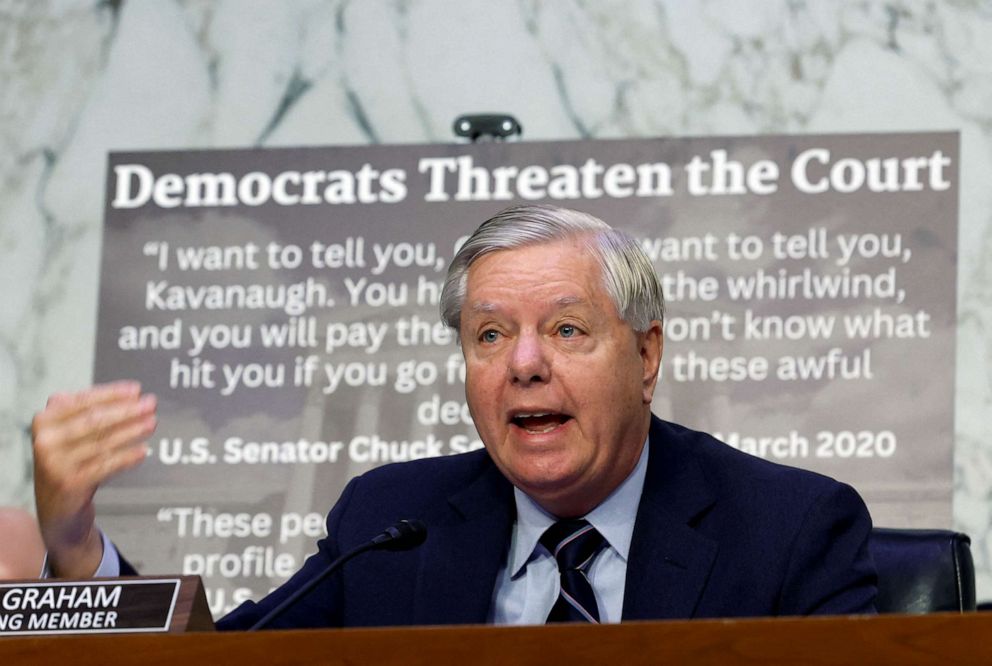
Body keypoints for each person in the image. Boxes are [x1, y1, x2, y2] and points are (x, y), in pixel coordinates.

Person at [31, 204, 876, 627]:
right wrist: (74, 545)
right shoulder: (392, 522)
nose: (524, 363)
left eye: (568, 329)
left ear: (646, 357)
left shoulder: (790, 529)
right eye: (489, 334)